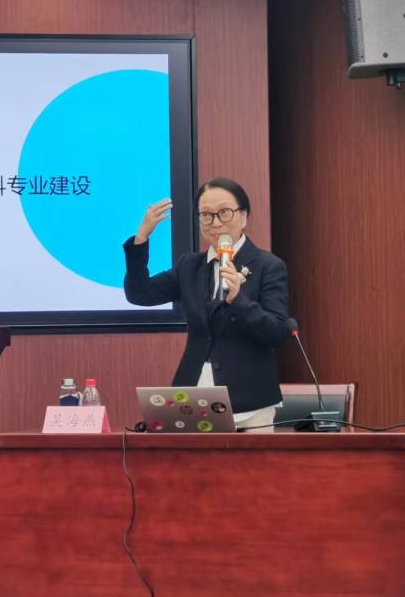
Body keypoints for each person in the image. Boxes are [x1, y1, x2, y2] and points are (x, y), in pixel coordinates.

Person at [122, 177, 290, 431]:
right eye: (207, 215)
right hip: (193, 395)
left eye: (225, 212)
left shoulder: (268, 266)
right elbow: (140, 294)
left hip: (250, 402)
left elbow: (276, 332)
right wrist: (141, 238)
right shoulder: (190, 266)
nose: (216, 223)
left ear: (244, 216)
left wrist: (238, 300)